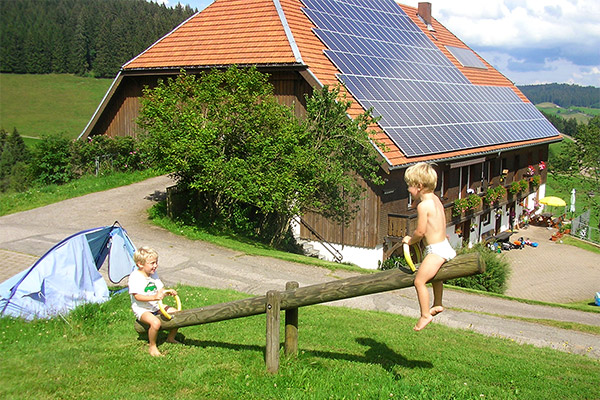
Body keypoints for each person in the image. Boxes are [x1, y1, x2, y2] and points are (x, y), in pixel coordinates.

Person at [402, 162, 456, 331]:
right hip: (444, 245)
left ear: (419, 186)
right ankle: (438, 303)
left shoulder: (423, 205)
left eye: (410, 186)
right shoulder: (435, 200)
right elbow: (438, 222)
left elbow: (420, 231)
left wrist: (409, 241)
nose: (409, 190)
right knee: (436, 278)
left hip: (435, 250)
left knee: (419, 281)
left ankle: (425, 315)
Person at [129, 246, 180, 356]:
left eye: (156, 262)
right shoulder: (135, 277)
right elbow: (137, 296)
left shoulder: (153, 274)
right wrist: (154, 297)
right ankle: (152, 346)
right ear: (140, 264)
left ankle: (170, 338)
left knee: (177, 314)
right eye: (152, 263)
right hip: (142, 309)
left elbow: (160, 289)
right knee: (155, 323)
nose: (155, 266)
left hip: (156, 306)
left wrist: (167, 292)